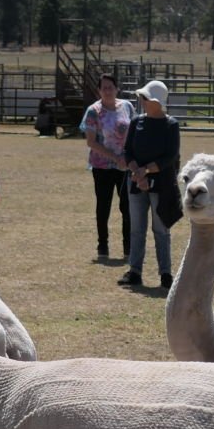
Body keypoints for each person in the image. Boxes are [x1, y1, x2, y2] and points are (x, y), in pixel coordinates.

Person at [118, 80, 182, 289]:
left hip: (161, 184)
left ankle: (165, 273)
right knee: (137, 229)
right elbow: (128, 150)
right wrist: (137, 171)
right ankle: (134, 271)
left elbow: (170, 157)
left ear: (156, 102)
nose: (142, 101)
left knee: (161, 230)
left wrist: (145, 171)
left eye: (146, 98)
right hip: (136, 182)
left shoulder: (171, 125)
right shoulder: (137, 122)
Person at [80, 73, 134, 261]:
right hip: (102, 166)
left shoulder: (127, 107)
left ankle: (129, 248)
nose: (108, 91)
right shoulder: (93, 111)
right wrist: (114, 157)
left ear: (117, 88)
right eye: (104, 88)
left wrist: (127, 158)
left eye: (111, 87)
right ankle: (102, 245)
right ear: (99, 90)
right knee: (103, 206)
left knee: (127, 207)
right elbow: (91, 142)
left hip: (125, 167)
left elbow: (134, 133)